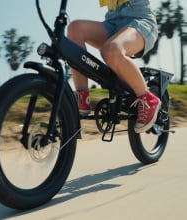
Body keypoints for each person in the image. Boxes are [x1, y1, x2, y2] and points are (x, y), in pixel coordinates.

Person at [67, 0, 160, 133]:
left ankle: (148, 99)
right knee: (74, 29)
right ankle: (82, 97)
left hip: (140, 19)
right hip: (112, 21)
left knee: (111, 51)